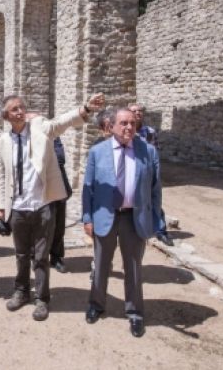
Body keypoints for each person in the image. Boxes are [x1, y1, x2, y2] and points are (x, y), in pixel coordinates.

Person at [0, 93, 104, 321]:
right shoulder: (2, 142)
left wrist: (85, 108)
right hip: (17, 208)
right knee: (21, 254)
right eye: (14, 109)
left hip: (43, 205)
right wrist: (1, 207)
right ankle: (22, 291)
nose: (20, 111)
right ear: (6, 116)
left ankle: (42, 299)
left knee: (41, 256)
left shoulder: (39, 128)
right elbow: (2, 175)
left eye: (22, 107)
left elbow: (60, 123)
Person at [82, 108, 165, 338]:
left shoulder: (148, 152)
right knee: (100, 265)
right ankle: (96, 305)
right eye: (123, 123)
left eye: (132, 123)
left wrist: (155, 220)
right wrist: (87, 217)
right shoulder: (98, 152)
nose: (129, 127)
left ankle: (135, 312)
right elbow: (88, 189)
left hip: (133, 218)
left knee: (134, 268)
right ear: (112, 126)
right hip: (105, 216)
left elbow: (156, 189)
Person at [128, 103, 172, 246]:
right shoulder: (126, 130)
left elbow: (155, 151)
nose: (138, 113)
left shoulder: (150, 132)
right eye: (135, 111)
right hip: (132, 170)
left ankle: (160, 230)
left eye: (140, 111)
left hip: (148, 170)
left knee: (154, 199)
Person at [49, 136, 71, 273]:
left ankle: (56, 257)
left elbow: (60, 158)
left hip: (58, 187)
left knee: (58, 225)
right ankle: (36, 256)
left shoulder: (54, 138)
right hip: (37, 189)